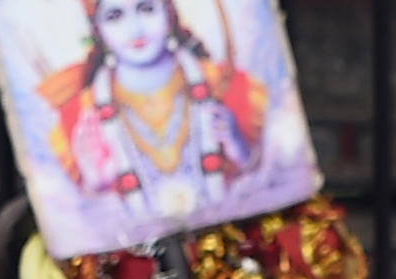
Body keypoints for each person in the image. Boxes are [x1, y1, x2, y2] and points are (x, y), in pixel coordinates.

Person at [46, 0, 267, 220]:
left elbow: (270, 188)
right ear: (98, 29)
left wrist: (242, 153)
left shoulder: (229, 88)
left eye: (147, 9)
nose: (135, 29)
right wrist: (97, 184)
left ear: (169, 12)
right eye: (115, 16)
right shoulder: (79, 120)